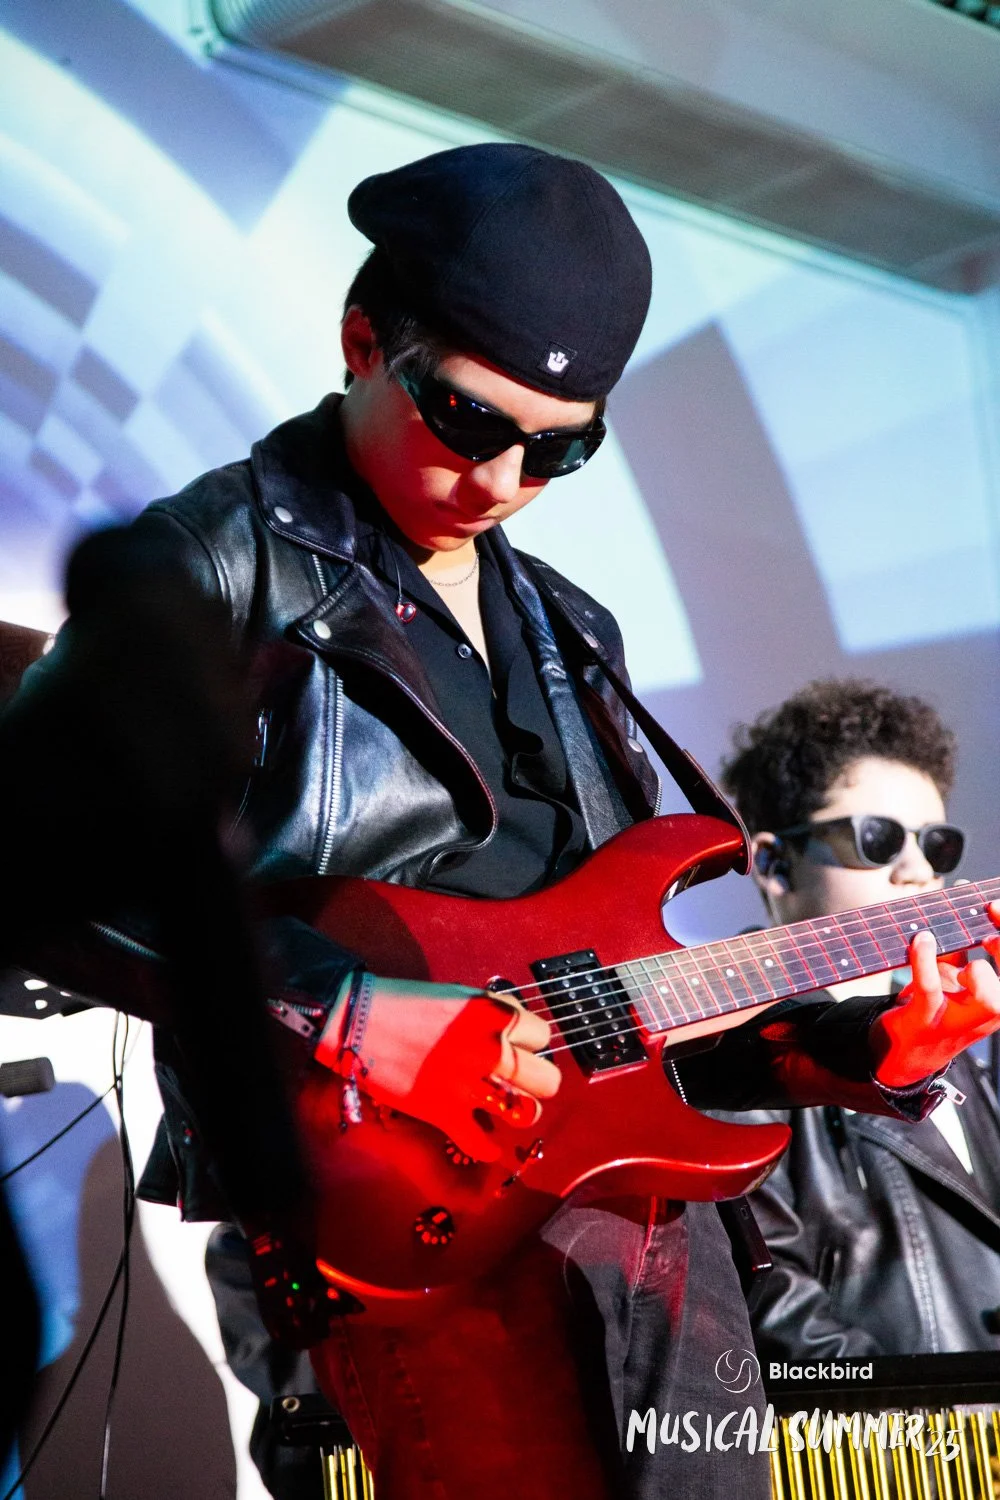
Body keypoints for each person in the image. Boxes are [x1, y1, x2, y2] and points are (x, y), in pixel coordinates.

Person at [6, 146, 1000, 1500]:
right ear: (364, 341)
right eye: (471, 421)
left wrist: (853, 1054)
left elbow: (631, 1021)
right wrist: (350, 1010)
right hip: (388, 1225)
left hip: (641, 1239)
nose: (506, 478)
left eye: (562, 446)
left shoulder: (573, 631)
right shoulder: (214, 560)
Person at [720, 678, 1000, 1359]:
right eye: (878, 838)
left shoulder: (961, 1045)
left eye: (937, 845)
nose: (917, 869)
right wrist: (950, 1410)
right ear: (774, 864)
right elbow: (773, 1306)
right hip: (899, 1425)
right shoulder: (728, 1057)